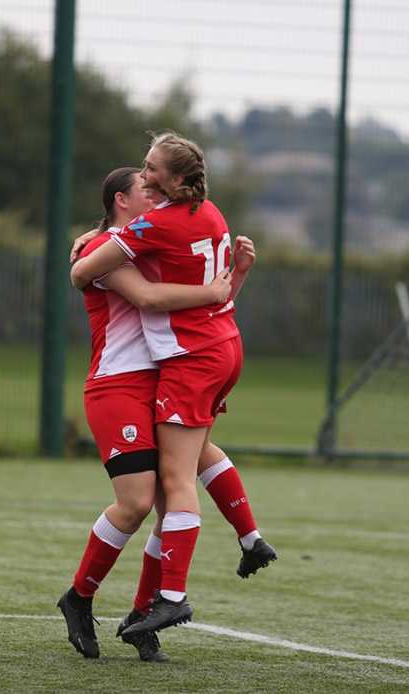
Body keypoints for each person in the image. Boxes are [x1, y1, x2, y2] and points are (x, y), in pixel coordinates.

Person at [58, 166, 276, 662]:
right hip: (118, 384)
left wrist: (234, 276)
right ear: (121, 201)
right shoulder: (101, 250)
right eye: (144, 189)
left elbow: (202, 313)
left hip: (163, 376)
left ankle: (143, 616)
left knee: (172, 502)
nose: (154, 195)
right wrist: (214, 289)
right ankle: (79, 597)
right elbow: (147, 297)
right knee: (137, 502)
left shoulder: (150, 241)